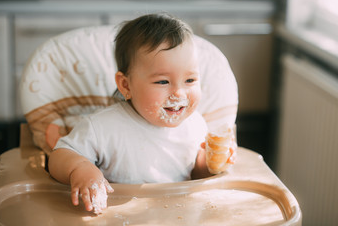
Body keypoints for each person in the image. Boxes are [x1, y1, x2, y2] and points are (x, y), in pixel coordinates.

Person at [48, 13, 214, 214]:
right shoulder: (103, 127)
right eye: (162, 81)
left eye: (190, 80)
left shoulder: (195, 124)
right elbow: (59, 156)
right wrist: (80, 170)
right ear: (126, 85)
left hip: (177, 215)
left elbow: (195, 172)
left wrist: (210, 161)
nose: (179, 93)